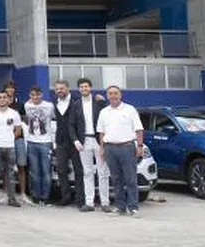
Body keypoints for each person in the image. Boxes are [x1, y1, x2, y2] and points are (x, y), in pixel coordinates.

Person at [96, 85, 143, 216]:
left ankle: (133, 207)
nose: (113, 96)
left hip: (127, 147)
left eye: (116, 93)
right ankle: (120, 207)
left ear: (120, 95)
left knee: (131, 179)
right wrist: (102, 148)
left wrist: (139, 146)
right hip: (110, 148)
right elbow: (101, 132)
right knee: (116, 180)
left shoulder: (130, 110)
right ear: (107, 96)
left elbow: (139, 129)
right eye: (110, 93)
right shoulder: (104, 112)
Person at [70, 78, 112, 213]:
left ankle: (105, 203)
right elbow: (71, 125)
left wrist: (104, 101)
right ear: (79, 89)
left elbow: (109, 114)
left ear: (91, 88)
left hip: (99, 140)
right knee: (87, 172)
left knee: (103, 172)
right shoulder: (76, 105)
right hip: (84, 142)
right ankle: (89, 203)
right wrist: (75, 140)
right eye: (81, 87)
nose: (84, 89)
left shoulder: (98, 102)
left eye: (86, 86)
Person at [53, 80, 85, 208]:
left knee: (79, 170)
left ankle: (80, 199)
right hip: (60, 141)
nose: (59, 91)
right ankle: (65, 197)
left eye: (62, 88)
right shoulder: (54, 103)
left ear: (68, 88)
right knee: (61, 170)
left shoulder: (78, 101)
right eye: (57, 89)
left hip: (76, 141)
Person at [23, 85, 55, 205]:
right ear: (30, 96)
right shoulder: (27, 105)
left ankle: (45, 196)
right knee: (34, 171)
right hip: (32, 141)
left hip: (45, 141)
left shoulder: (49, 105)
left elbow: (51, 117)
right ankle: (36, 196)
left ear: (41, 94)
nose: (35, 97)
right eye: (33, 95)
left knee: (46, 171)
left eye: (37, 95)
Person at [5, 81, 29, 204]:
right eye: (8, 89)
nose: (10, 90)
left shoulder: (20, 105)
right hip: (5, 140)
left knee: (21, 165)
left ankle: (23, 194)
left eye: (12, 88)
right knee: (6, 167)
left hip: (18, 138)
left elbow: (25, 122)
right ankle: (6, 194)